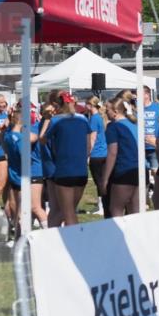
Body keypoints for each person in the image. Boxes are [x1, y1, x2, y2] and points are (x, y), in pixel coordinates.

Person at [42, 92, 93, 227]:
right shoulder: (83, 119)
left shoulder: (56, 120)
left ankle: (74, 244)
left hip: (64, 170)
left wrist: (47, 119)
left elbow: (43, 139)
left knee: (68, 213)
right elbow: (88, 145)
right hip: (81, 170)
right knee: (69, 212)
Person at [2, 105, 47, 234]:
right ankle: (20, 237)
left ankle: (48, 235)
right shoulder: (18, 136)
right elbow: (24, 155)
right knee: (23, 208)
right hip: (22, 174)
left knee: (33, 207)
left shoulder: (10, 135)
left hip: (28, 174)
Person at [102, 96, 141, 216]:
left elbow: (112, 152)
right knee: (135, 211)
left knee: (116, 209)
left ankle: (117, 235)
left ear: (115, 111)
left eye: (107, 110)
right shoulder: (135, 125)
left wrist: (105, 179)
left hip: (124, 170)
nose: (105, 112)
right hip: (141, 169)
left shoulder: (113, 127)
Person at [86, 96, 108, 216]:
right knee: (102, 180)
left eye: (86, 104)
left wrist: (88, 154)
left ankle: (102, 206)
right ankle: (103, 204)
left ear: (91, 105)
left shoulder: (94, 119)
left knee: (99, 181)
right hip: (104, 153)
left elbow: (92, 138)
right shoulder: (100, 117)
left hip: (96, 154)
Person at [141, 86, 159, 207]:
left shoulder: (156, 108)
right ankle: (144, 201)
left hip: (154, 147)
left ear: (147, 94)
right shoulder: (136, 109)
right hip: (141, 148)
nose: (137, 96)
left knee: (156, 173)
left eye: (140, 93)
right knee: (142, 175)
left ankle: (158, 196)